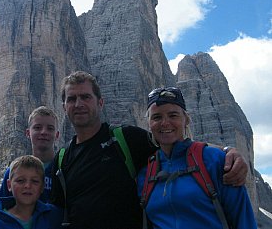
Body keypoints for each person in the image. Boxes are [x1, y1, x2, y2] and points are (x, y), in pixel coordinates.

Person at [50, 70, 248, 229]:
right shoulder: (62, 159)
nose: (78, 104)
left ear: (100, 103)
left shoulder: (126, 139)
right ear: (64, 106)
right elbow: (56, 213)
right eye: (71, 99)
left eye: (86, 97)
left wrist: (227, 151)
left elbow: (177, 145)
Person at [137, 87, 256, 228]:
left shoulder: (216, 161)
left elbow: (243, 220)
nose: (165, 122)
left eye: (173, 115)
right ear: (149, 124)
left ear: (186, 119)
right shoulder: (146, 174)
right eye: (157, 117)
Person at [0, 155, 63, 229]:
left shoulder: (54, 216)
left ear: (42, 187)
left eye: (34, 181)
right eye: (20, 180)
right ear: (9, 185)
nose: (27, 186)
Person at [0, 106, 59, 203]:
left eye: (50, 128)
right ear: (28, 133)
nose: (44, 132)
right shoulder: (14, 171)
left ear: (57, 135)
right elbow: (2, 210)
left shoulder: (64, 170)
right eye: (37, 128)